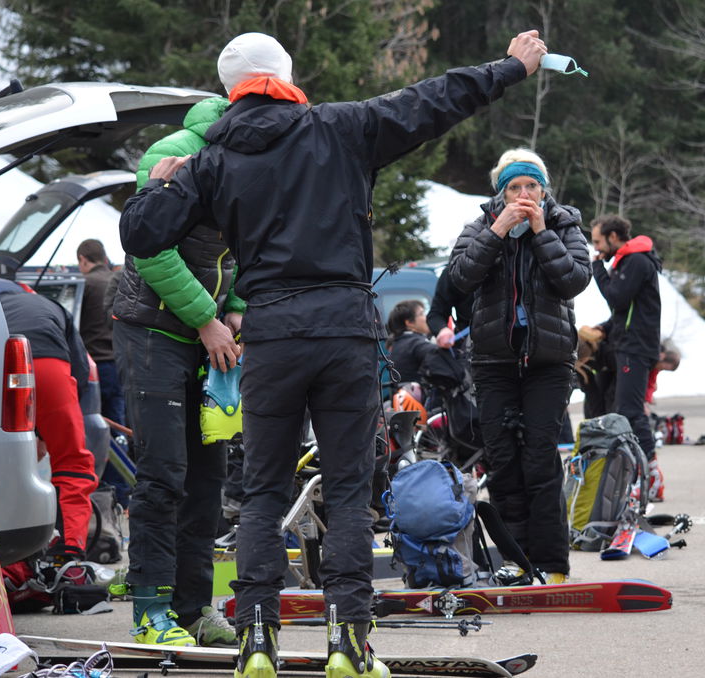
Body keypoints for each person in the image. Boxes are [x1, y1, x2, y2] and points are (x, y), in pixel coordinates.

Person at [118, 30, 549, 678]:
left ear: (229, 89)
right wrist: (510, 67)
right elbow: (432, 101)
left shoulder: (212, 159)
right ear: (287, 76)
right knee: (348, 491)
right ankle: (349, 642)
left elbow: (141, 232)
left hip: (271, 335)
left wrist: (156, 186)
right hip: (346, 329)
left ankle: (255, 639)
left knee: (262, 491)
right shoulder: (343, 128)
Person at [113, 93, 243, 648]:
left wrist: (239, 305)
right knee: (164, 474)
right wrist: (209, 318)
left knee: (208, 481)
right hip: (153, 333)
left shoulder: (253, 160)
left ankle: (195, 609)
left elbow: (244, 253)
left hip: (209, 339)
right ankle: (150, 610)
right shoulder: (172, 152)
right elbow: (151, 250)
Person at [447, 148, 591, 585]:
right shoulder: (479, 227)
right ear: (501, 192)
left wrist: (542, 231)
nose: (524, 194)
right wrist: (498, 231)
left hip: (548, 361)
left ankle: (552, 562)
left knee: (539, 456)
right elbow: (459, 278)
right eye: (515, 187)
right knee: (503, 459)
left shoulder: (564, 223)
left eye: (532, 186)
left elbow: (574, 280)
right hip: (494, 361)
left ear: (544, 190)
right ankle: (515, 559)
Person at [0, 279, 97, 562]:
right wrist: (50, 429)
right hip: (51, 365)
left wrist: (32, 432)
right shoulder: (49, 305)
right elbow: (81, 369)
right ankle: (69, 554)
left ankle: (4, 560)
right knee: (73, 463)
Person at [590, 214, 664, 499]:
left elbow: (617, 297)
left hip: (635, 348)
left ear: (613, 237)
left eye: (598, 242)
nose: (597, 249)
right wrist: (606, 328)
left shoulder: (635, 261)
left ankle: (652, 477)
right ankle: (638, 473)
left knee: (631, 411)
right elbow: (628, 310)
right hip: (630, 344)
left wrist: (597, 268)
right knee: (624, 409)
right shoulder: (630, 260)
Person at [76, 239, 126, 427]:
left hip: (95, 365)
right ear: (104, 258)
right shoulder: (120, 282)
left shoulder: (85, 284)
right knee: (118, 421)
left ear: (83, 259)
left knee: (93, 423)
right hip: (120, 362)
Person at [386, 299, 441, 386]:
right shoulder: (414, 343)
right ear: (409, 322)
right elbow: (440, 356)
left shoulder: (399, 341)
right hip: (419, 397)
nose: (427, 317)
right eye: (422, 314)